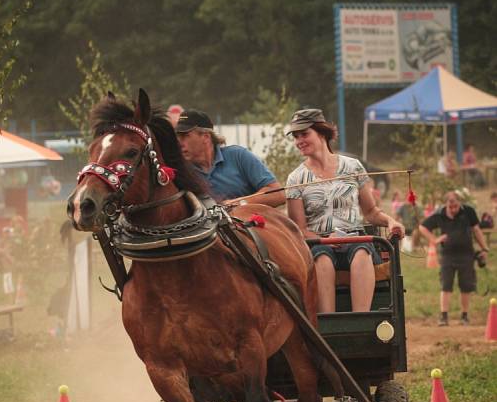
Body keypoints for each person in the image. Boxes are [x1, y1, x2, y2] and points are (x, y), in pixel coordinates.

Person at [285, 108, 404, 313]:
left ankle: (361, 319)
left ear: (321, 133)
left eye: (304, 134)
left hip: (355, 240)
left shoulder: (353, 167)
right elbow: (299, 229)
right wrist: (328, 240)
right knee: (321, 259)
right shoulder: (296, 178)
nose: (299, 141)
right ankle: (329, 325)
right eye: (296, 136)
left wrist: (391, 222)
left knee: (361, 252)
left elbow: (371, 212)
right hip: (318, 244)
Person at [176, 109, 284, 206]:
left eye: (185, 136)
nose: (179, 143)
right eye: (178, 136)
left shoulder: (238, 156)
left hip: (249, 225)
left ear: (205, 137)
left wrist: (240, 203)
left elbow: (278, 193)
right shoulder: (181, 171)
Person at [419, 190, 489, 326]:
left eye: (455, 206)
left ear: (460, 203)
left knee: (466, 286)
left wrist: (484, 248)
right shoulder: (439, 214)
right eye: (450, 207)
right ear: (446, 204)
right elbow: (422, 227)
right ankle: (444, 317)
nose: (453, 209)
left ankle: (464, 316)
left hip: (467, 254)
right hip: (448, 256)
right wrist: (434, 239)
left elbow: (476, 230)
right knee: (446, 285)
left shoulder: (469, 211)